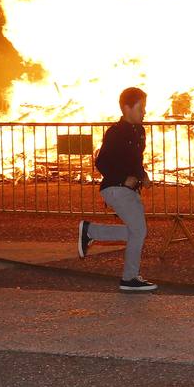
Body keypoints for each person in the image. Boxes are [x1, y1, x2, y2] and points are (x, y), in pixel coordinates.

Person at [78, 86, 156, 291]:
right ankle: (129, 279)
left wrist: (142, 175)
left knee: (136, 231)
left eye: (144, 108)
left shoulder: (140, 131)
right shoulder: (115, 132)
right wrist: (123, 179)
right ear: (126, 108)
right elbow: (102, 163)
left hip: (128, 189)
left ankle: (91, 230)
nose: (144, 113)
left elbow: (135, 161)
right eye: (141, 108)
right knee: (139, 230)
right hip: (115, 188)